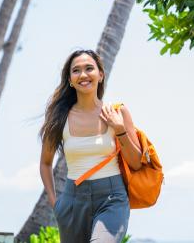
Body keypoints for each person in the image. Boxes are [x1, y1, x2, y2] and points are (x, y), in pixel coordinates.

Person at [39, 49, 143, 243]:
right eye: (76, 70)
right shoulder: (59, 118)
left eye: (89, 68)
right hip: (72, 201)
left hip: (111, 198)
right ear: (70, 79)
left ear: (100, 74)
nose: (83, 75)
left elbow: (136, 163)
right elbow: (45, 163)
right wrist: (56, 204)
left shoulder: (118, 112)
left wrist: (119, 129)